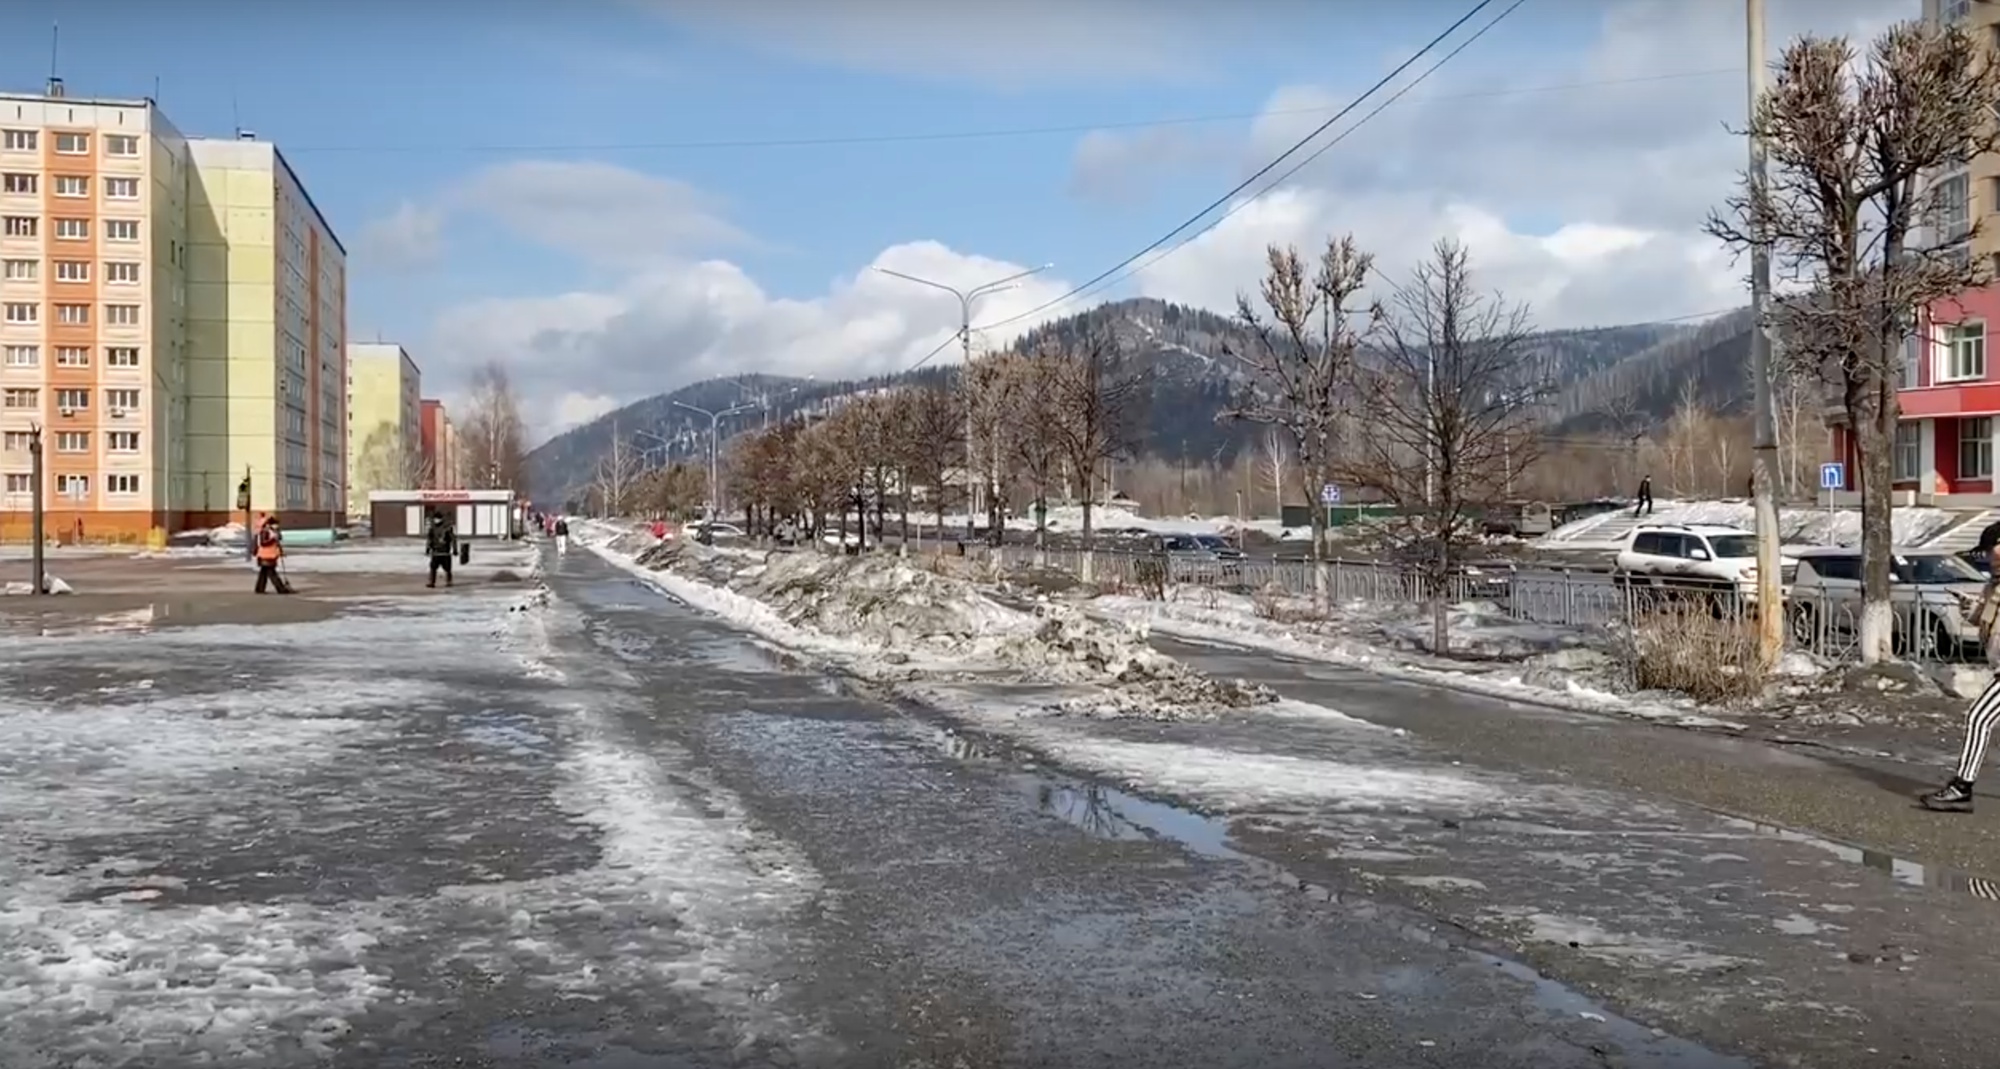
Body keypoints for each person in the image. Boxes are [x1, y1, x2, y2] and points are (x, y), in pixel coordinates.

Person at [1921, 534, 2000, 812]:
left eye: (1992, 550)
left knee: (1979, 718)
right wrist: (1970, 608)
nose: (1990, 557)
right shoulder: (1994, 586)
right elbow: (1987, 620)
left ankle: (1962, 788)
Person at [253, 515, 291, 594]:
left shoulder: (273, 532)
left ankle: (259, 588)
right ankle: (280, 589)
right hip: (265, 555)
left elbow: (277, 542)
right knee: (272, 573)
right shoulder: (265, 531)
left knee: (264, 573)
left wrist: (279, 549)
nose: (276, 526)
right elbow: (263, 543)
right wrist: (273, 539)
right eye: (275, 524)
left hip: (270, 555)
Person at [425, 511, 458, 588]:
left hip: (445, 552)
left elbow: (453, 539)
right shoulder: (432, 528)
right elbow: (429, 539)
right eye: (435, 519)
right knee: (433, 567)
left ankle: (449, 582)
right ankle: (431, 582)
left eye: (438, 518)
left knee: (447, 568)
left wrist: (455, 549)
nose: (436, 520)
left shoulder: (447, 528)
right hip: (435, 551)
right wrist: (427, 549)